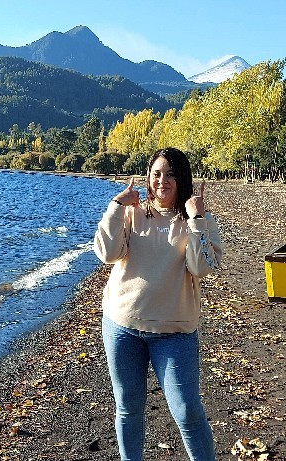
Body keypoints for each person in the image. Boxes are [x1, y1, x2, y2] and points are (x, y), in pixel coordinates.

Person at [94, 147, 222, 461]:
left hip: (174, 332)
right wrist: (115, 206)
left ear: (182, 179)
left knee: (188, 411)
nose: (162, 181)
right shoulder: (132, 213)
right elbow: (107, 254)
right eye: (156, 174)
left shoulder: (200, 220)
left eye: (170, 174)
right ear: (148, 177)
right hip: (122, 327)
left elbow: (201, 267)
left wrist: (197, 219)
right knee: (128, 408)